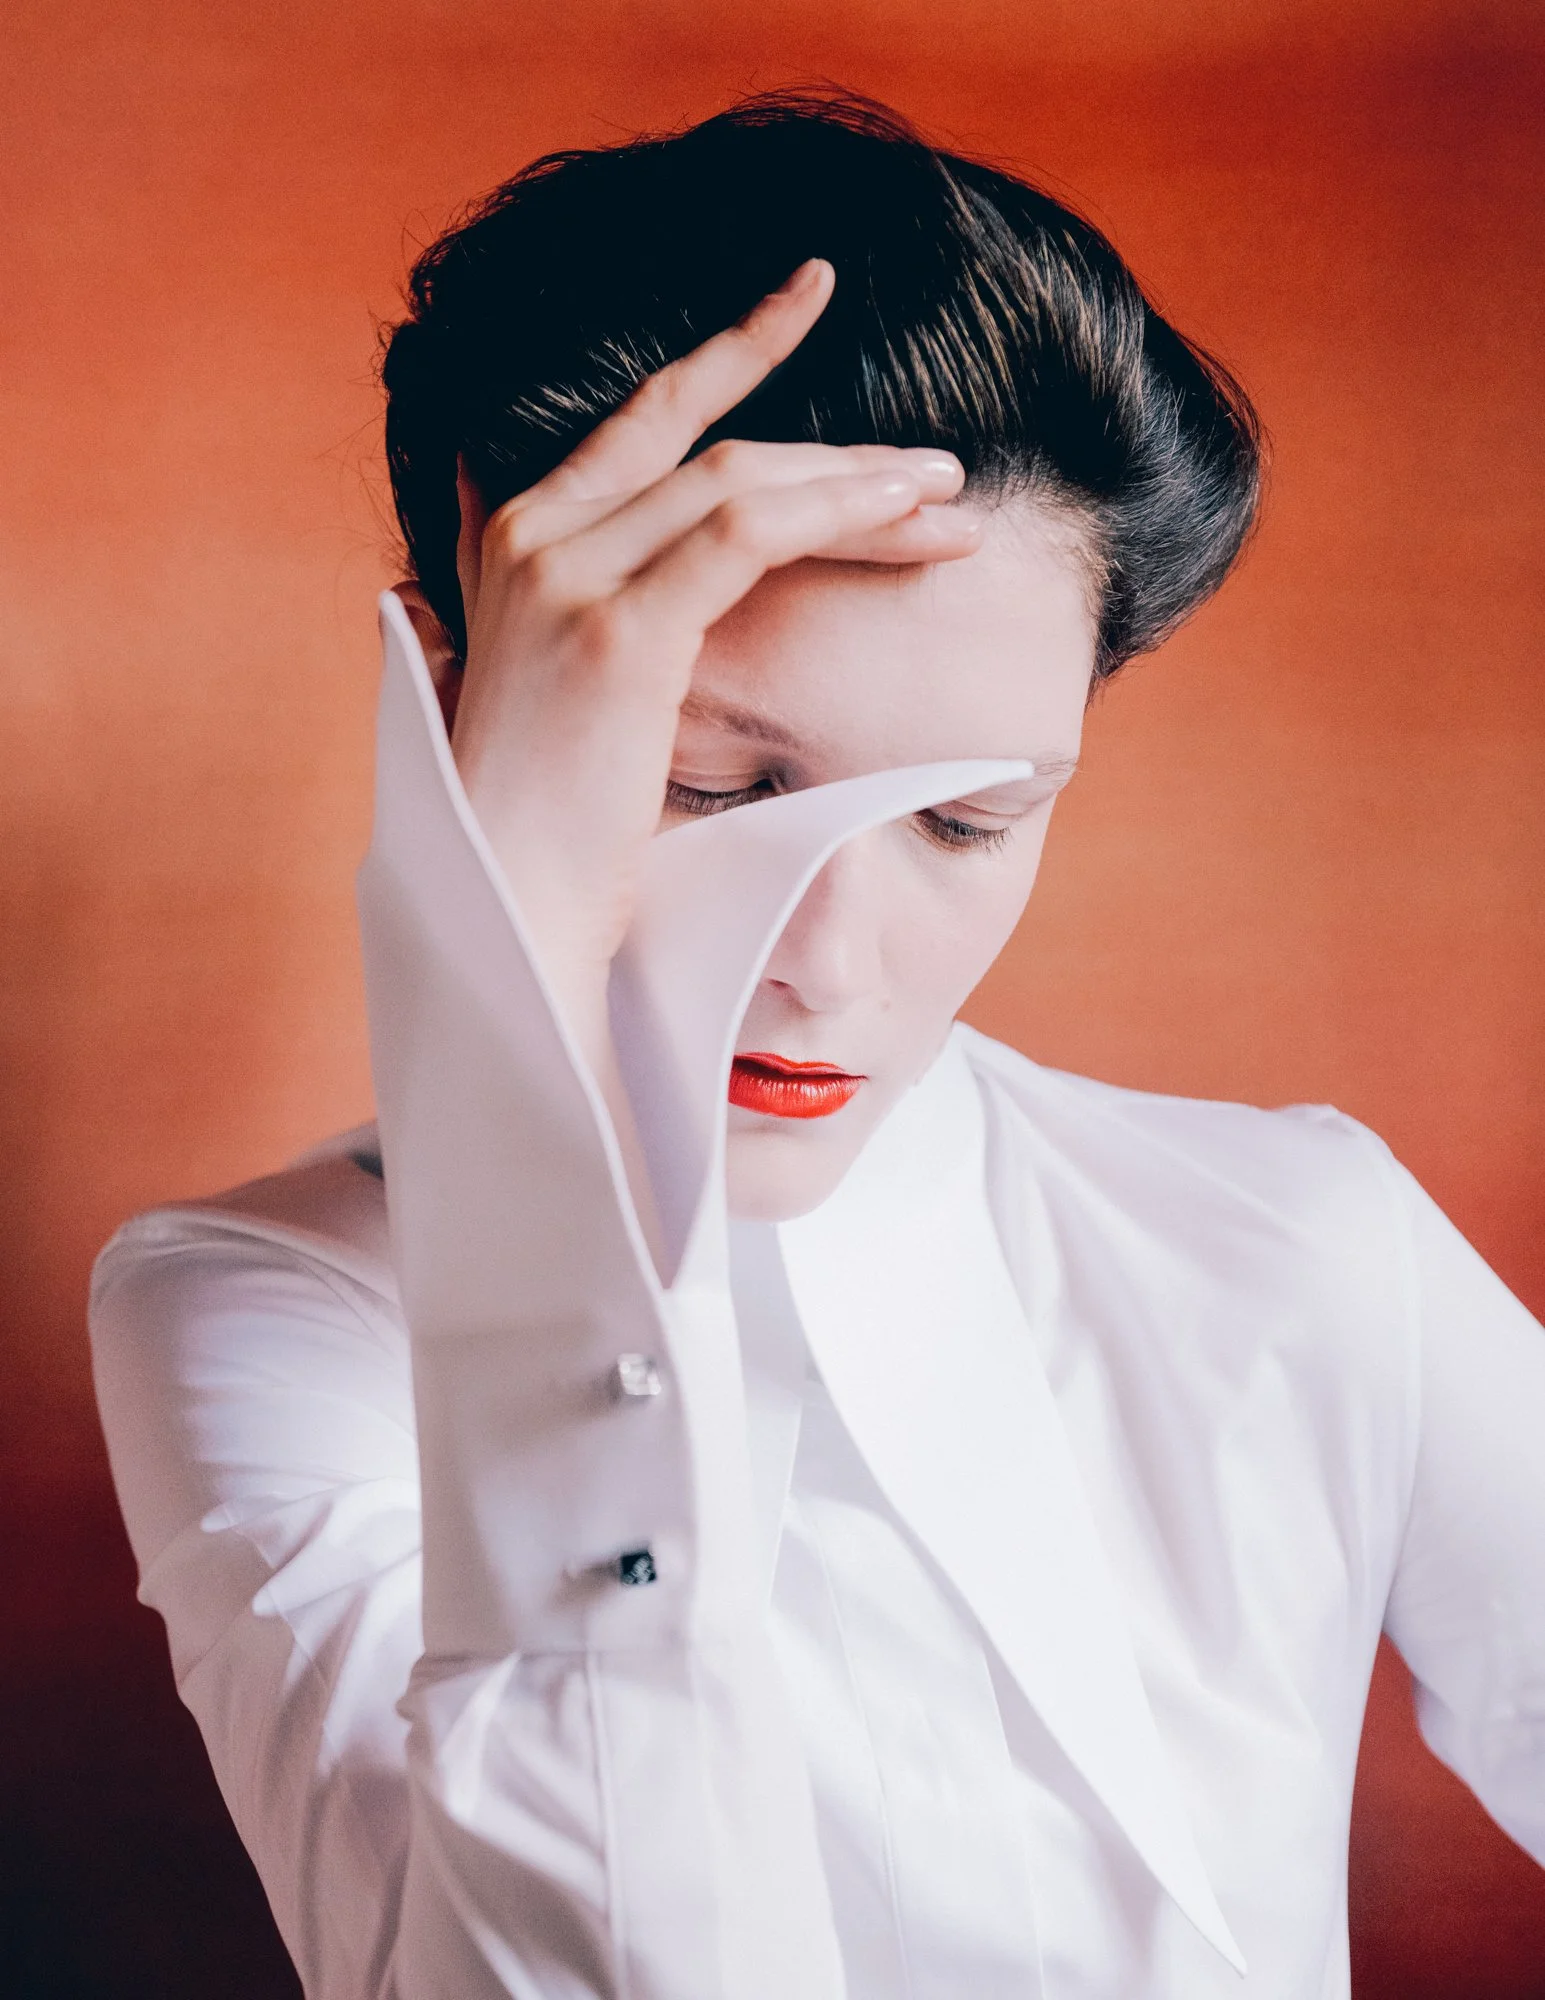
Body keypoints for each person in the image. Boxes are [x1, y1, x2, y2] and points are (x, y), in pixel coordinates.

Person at [88, 91, 1545, 2000]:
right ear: (455, 742)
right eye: (709, 790)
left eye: (969, 820)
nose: (831, 963)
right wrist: (501, 954)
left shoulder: (1298, 1236)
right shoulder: (266, 1309)